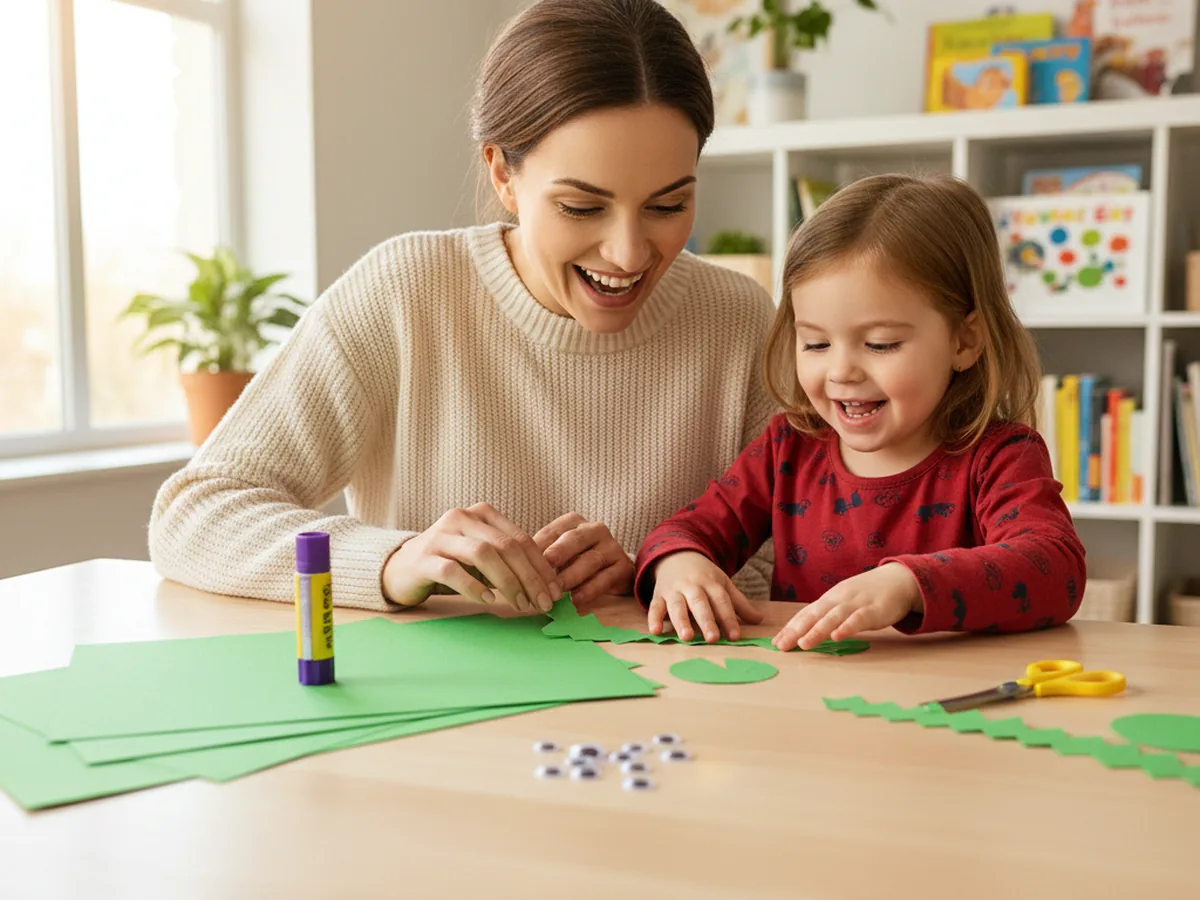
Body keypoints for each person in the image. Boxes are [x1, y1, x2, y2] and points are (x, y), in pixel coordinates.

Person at [148, 0, 776, 614]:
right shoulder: (405, 294)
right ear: (503, 173)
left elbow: (796, 566)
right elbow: (194, 514)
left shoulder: (740, 320)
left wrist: (653, 571)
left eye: (667, 206)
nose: (629, 251)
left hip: (672, 711)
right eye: (582, 207)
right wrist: (396, 561)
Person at [635, 173, 1086, 650]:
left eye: (880, 344)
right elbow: (685, 529)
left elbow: (1055, 566)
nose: (842, 370)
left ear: (964, 339)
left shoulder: (1001, 457)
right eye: (816, 343)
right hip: (811, 700)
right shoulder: (788, 448)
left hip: (947, 700)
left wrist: (907, 585)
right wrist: (678, 562)